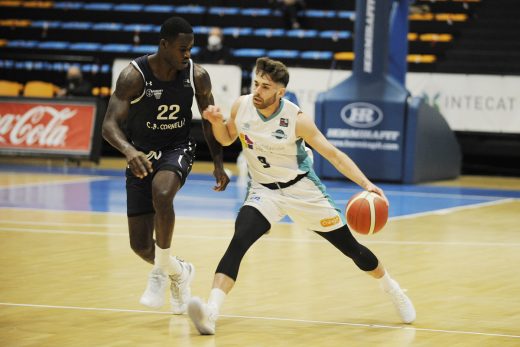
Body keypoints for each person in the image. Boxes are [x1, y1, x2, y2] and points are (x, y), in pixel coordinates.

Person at [187, 57, 416, 335]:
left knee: (351, 249)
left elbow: (334, 155)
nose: (257, 91)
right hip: (263, 191)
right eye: (256, 83)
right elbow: (225, 139)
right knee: (239, 241)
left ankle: (392, 288)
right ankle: (211, 313)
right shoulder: (241, 105)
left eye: (265, 87)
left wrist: (367, 184)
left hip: (302, 191)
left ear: (280, 92)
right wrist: (214, 122)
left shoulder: (297, 119)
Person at [101, 16, 230, 314]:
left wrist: (219, 163)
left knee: (162, 194)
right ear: (164, 45)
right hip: (141, 154)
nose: (188, 55)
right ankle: (180, 272)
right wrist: (129, 151)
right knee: (141, 246)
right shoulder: (134, 76)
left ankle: (160, 273)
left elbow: (209, 124)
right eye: (182, 49)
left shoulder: (197, 75)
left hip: (177, 147)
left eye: (190, 49)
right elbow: (108, 125)